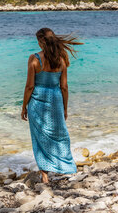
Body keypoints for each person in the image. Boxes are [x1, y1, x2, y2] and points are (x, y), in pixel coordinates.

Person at [21, 27, 83, 183]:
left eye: (38, 41)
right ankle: (66, 167)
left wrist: (24, 107)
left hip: (37, 100)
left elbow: (29, 86)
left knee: (40, 137)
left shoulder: (34, 59)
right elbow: (64, 87)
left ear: (42, 42)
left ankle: (45, 175)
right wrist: (65, 107)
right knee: (60, 135)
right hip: (55, 100)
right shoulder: (61, 60)